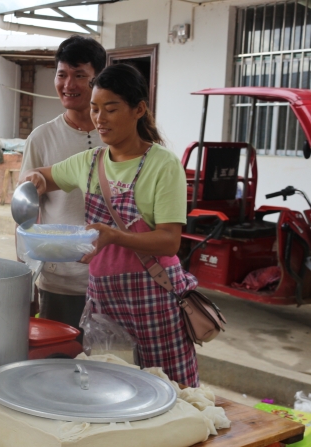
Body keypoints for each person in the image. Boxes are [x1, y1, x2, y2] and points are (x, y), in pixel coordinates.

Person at [22, 64, 199, 387]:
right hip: (104, 296)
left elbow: (169, 241)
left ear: (139, 109)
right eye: (94, 109)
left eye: (111, 109)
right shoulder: (90, 162)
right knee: (106, 386)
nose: (99, 119)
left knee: (171, 388)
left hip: (154, 294)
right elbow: (45, 177)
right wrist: (34, 182)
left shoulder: (163, 164)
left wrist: (115, 236)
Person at [18, 35, 106, 333]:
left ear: (98, 80)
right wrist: (25, 278)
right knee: (60, 364)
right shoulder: (41, 138)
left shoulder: (118, 136)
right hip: (61, 280)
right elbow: (24, 213)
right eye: (62, 74)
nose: (69, 84)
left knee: (110, 367)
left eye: (80, 75)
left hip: (115, 275)